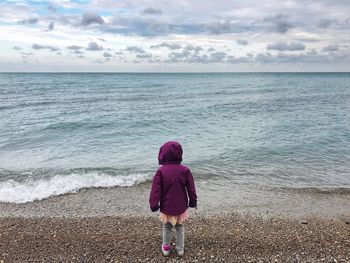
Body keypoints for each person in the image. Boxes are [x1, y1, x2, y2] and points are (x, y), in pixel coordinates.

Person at [149, 141, 197, 257]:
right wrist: (193, 201)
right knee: (180, 227)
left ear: (163, 154)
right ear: (180, 153)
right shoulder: (185, 170)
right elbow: (191, 188)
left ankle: (166, 248)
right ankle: (180, 249)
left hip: (166, 206)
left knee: (167, 226)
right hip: (181, 206)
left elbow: (156, 190)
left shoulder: (161, 171)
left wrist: (154, 204)